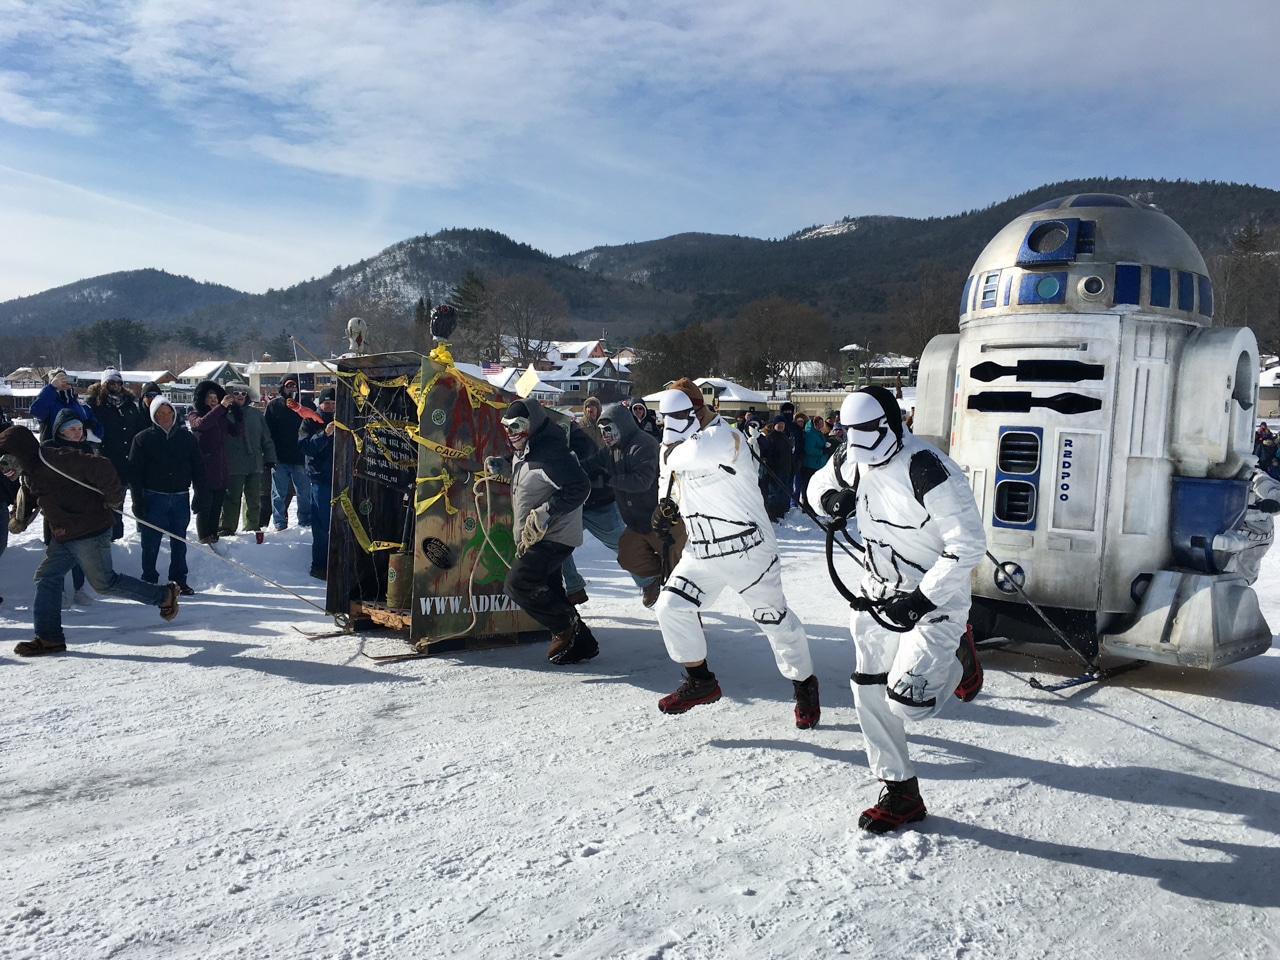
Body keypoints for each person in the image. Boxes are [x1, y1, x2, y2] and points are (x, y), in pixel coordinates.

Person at [808, 386, 985, 834]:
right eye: (851, 433)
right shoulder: (853, 458)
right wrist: (831, 501)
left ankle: (958, 655)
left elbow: (968, 544)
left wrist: (924, 599)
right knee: (868, 689)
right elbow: (817, 485)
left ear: (892, 422)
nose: (860, 442)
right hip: (876, 590)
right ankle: (900, 789)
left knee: (908, 704)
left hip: (934, 598)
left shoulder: (927, 467)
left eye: (868, 430)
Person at [651, 378, 819, 728]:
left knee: (774, 622)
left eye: (678, 416)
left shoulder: (726, 438)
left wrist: (668, 446)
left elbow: (689, 454)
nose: (670, 426)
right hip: (701, 549)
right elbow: (667, 485)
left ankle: (804, 684)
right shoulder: (676, 443)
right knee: (671, 607)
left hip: (748, 549)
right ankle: (700, 680)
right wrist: (664, 509)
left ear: (698, 410)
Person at [0, 419, 180, 656]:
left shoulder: (58, 459)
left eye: (6, 457)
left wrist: (113, 498)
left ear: (21, 452)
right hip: (64, 533)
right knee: (46, 577)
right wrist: (18, 520)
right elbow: (31, 497)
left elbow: (102, 466)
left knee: (104, 583)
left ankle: (164, 595)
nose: (3, 464)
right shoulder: (30, 472)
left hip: (89, 530)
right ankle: (49, 638)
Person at [488, 397, 595, 664]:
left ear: (532, 424)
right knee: (549, 587)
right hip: (537, 535)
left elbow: (580, 487)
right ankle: (582, 644)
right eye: (506, 426)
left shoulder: (551, 454)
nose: (511, 432)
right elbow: (529, 472)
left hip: (553, 537)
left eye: (517, 425)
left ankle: (564, 625)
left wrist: (547, 512)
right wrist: (504, 465)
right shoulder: (528, 449)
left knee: (518, 584)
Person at [592, 401, 685, 607]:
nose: (604, 434)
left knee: (678, 579)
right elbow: (591, 464)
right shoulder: (611, 449)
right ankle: (657, 577)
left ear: (621, 425)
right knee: (628, 556)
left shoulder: (644, 444)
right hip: (637, 523)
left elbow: (642, 481)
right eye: (601, 430)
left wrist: (609, 479)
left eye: (608, 429)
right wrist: (571, 467)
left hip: (663, 522)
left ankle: (689, 616)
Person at [559, 397, 643, 605]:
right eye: (587, 407)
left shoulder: (582, 436)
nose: (590, 410)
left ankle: (651, 581)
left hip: (599, 500)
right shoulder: (576, 429)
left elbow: (591, 461)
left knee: (622, 546)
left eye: (593, 407)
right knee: (555, 543)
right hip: (577, 502)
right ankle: (574, 586)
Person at [129, 395, 206, 595]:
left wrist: (200, 494)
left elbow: (198, 467)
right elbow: (134, 473)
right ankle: (149, 579)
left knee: (179, 541)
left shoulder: (186, 437)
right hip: (154, 497)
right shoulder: (143, 438)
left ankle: (179, 580)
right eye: (160, 413)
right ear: (154, 415)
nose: (165, 417)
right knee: (150, 542)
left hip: (180, 497)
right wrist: (137, 500)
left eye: (168, 413)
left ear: (174, 414)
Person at [87, 368, 147, 540]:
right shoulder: (94, 405)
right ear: (104, 384)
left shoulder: (129, 404)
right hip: (107, 461)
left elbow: (140, 429)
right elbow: (90, 432)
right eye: (111, 383)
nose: (116, 386)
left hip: (131, 461)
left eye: (119, 382)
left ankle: (134, 538)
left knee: (135, 502)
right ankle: (113, 539)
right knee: (112, 506)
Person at [187, 380, 243, 545]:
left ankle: (214, 535)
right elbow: (202, 424)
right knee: (205, 505)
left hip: (220, 467)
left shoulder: (222, 417)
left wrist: (239, 416)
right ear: (202, 399)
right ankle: (204, 537)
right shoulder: (194, 414)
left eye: (215, 397)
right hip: (204, 468)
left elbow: (238, 433)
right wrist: (222, 407)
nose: (213, 400)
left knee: (217, 505)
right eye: (209, 397)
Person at [219, 382, 276, 542]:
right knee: (232, 498)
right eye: (236, 393)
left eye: (243, 394)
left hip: (254, 462)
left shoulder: (256, 414)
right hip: (233, 464)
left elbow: (266, 437)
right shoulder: (224, 414)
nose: (240, 396)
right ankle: (226, 528)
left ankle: (252, 527)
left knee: (253, 498)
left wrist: (270, 457)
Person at [264, 376, 313, 531]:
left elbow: (314, 426)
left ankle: (305, 521)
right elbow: (267, 432)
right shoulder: (274, 405)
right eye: (288, 386)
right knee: (279, 494)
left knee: (304, 493)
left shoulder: (305, 404)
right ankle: (279, 523)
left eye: (294, 386)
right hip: (280, 458)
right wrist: (269, 455)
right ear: (282, 388)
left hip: (301, 457)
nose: (292, 389)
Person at [298, 386, 336, 579]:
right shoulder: (310, 420)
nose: (329, 407)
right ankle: (319, 566)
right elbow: (304, 447)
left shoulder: (343, 419)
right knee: (321, 525)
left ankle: (337, 563)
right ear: (320, 403)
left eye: (332, 403)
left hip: (341, 478)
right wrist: (324, 435)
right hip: (320, 478)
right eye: (326, 403)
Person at [30, 368, 100, 442]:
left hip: (79, 449)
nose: (65, 384)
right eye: (60, 381)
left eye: (66, 381)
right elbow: (36, 411)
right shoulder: (49, 403)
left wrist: (89, 427)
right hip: (55, 449)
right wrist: (52, 387)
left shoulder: (81, 406)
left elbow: (98, 430)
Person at [758, 414, 794, 521]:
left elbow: (789, 455)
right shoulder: (770, 438)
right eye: (779, 424)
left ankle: (780, 513)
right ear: (774, 425)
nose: (781, 426)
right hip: (775, 471)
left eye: (782, 424)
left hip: (785, 469)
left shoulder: (785, 437)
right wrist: (771, 468)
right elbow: (768, 455)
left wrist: (791, 468)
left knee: (783, 494)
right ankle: (771, 515)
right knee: (773, 494)